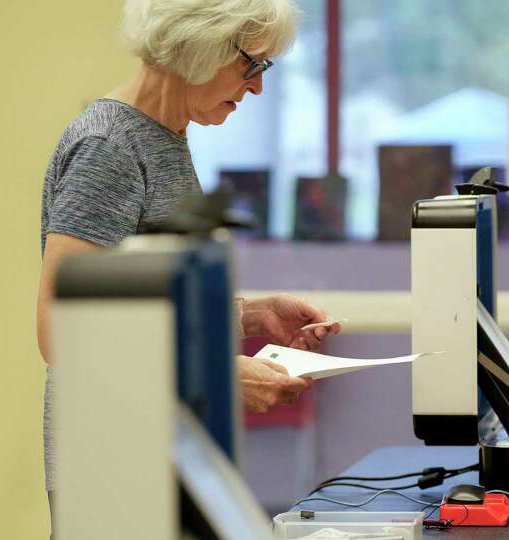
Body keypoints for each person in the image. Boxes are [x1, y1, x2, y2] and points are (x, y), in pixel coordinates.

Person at [36, 0, 338, 498]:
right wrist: (217, 373)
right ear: (198, 43)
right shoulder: (109, 148)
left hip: (169, 458)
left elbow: (136, 302)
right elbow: (62, 331)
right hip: (111, 473)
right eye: (251, 65)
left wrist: (250, 316)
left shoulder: (165, 137)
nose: (258, 86)